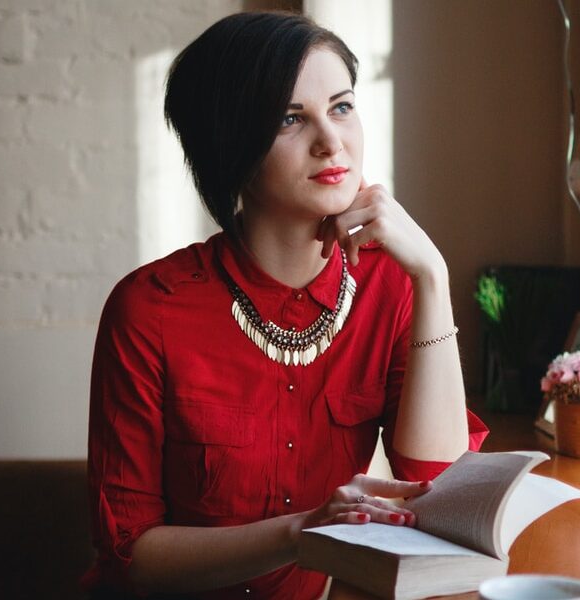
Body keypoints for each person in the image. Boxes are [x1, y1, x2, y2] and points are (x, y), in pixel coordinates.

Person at [83, 11, 488, 600]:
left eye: (342, 107)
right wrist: (301, 533)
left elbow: (436, 484)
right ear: (230, 147)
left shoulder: (392, 285)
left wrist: (431, 275)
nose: (331, 141)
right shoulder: (149, 311)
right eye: (290, 119)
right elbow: (131, 555)